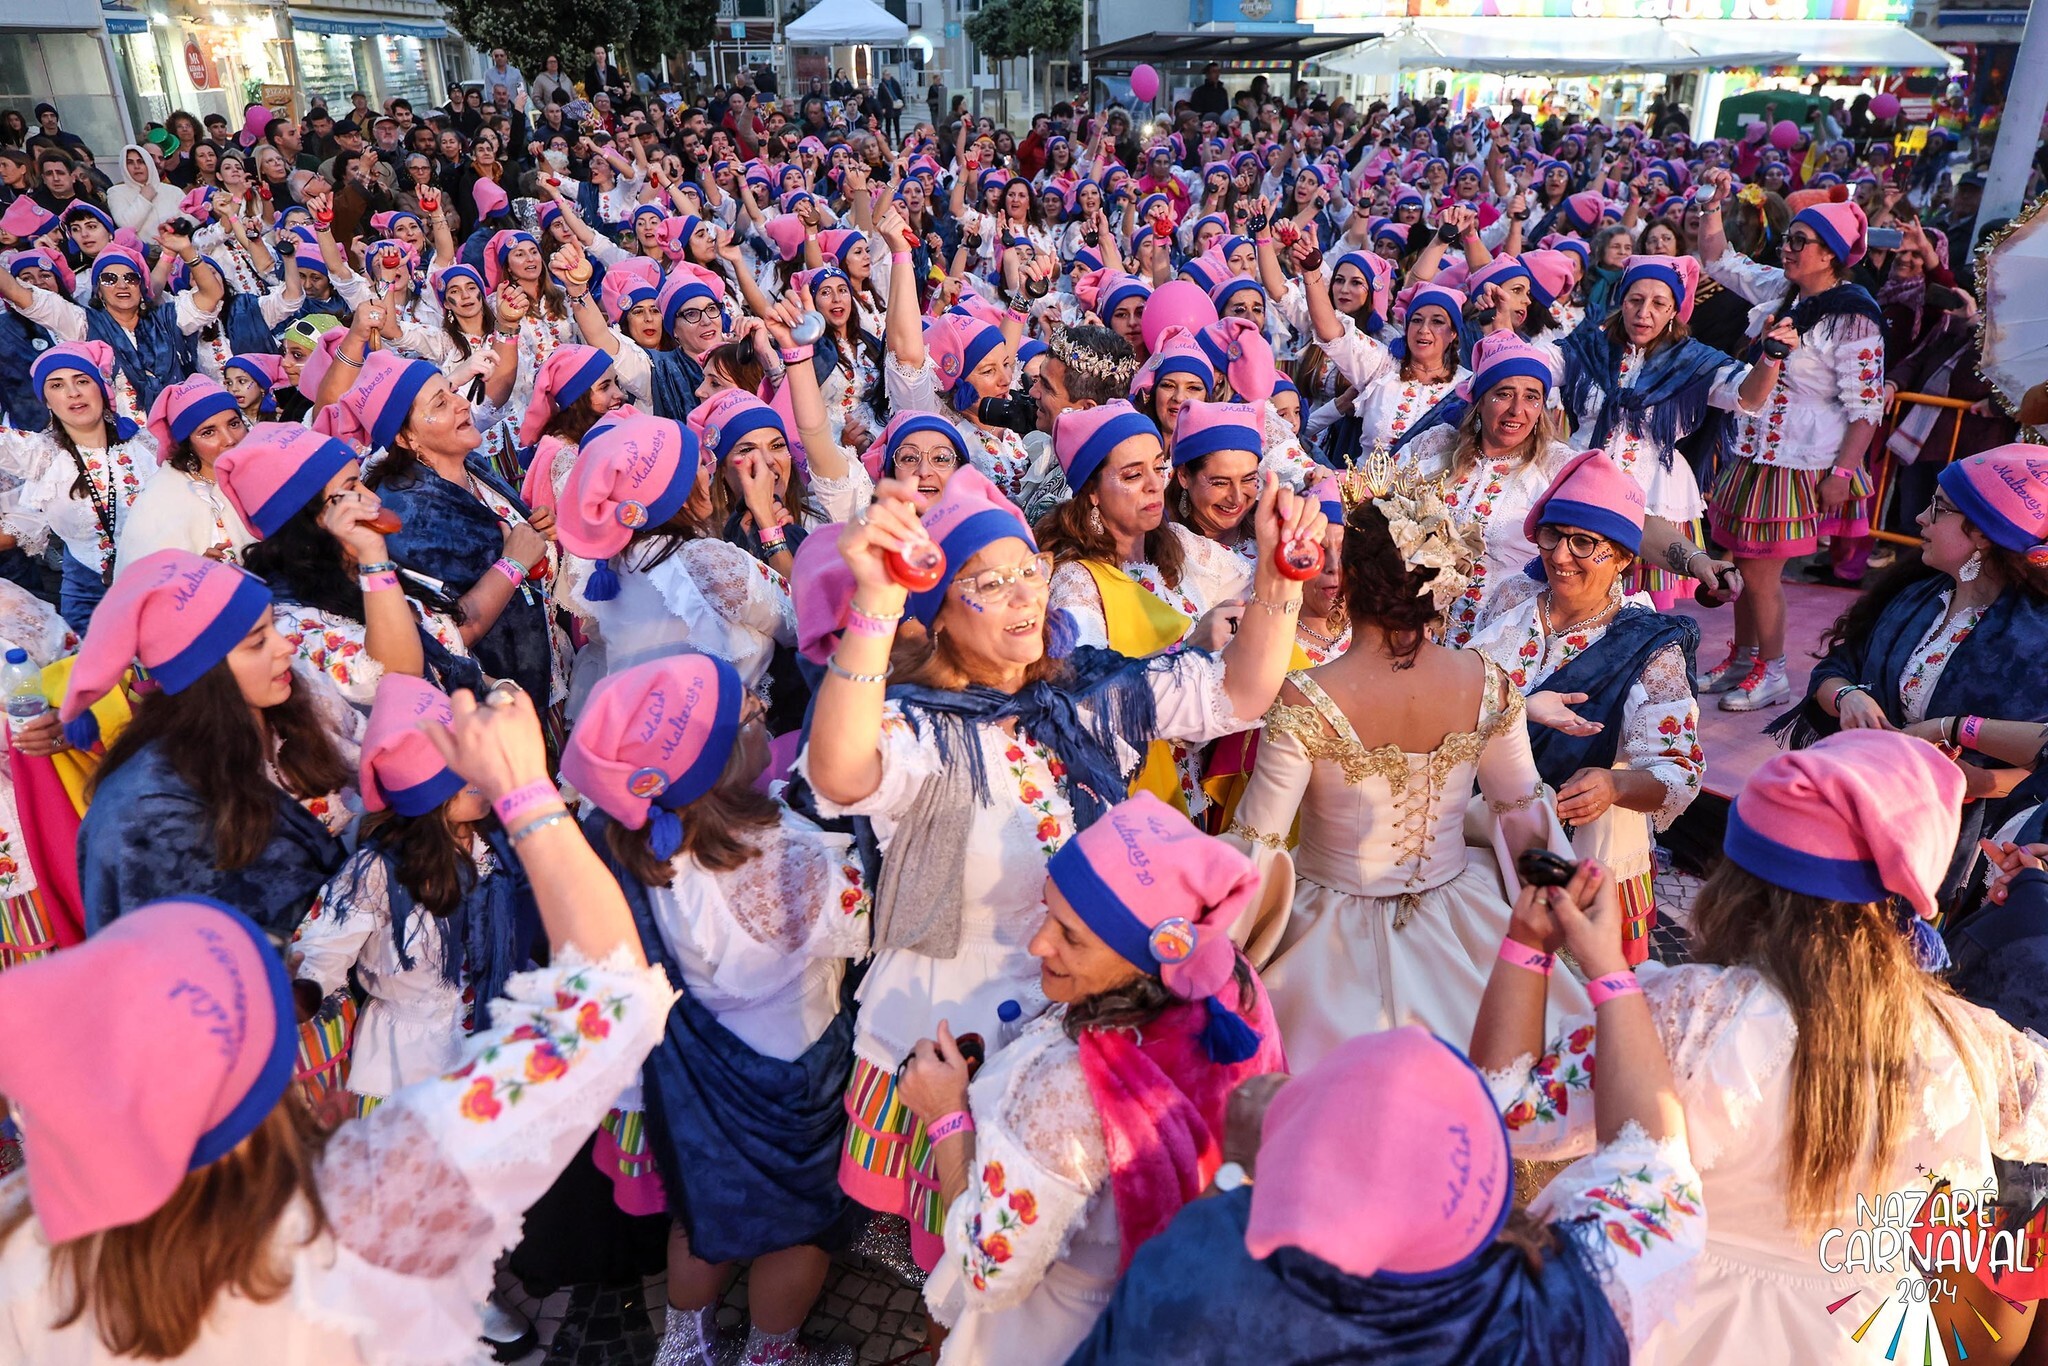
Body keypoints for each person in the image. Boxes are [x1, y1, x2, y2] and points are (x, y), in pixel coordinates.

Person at [0, 683, 677, 1361]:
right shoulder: (368, 1203)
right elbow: (610, 1004)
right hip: (412, 1058)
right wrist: (527, 792)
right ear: (271, 1082)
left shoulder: (21, 1255)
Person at [797, 465, 1320, 1273]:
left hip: (1087, 1023)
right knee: (966, 1259)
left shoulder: (1086, 697)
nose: (1023, 597)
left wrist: (1278, 578)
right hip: (957, 1038)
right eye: (989, 583)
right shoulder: (918, 732)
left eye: (1027, 573)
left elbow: (1241, 694)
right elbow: (837, 771)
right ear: (934, 618)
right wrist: (874, 603)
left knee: (1083, 1250)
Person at [1472, 730, 2048, 1366]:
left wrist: (1527, 941)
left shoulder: (1688, 1014)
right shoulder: (1969, 1044)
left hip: (1676, 1318)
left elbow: (1510, 1115)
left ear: (1736, 883)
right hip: (1861, 1331)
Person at [1070, 986, 1703, 1363]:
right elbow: (1654, 1163)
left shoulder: (1198, 1271)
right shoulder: (1555, 1315)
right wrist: (1609, 976)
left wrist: (1235, 1170)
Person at [898, 792, 1286, 1364]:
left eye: (1071, 936)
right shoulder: (1226, 982)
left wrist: (946, 1115)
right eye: (1048, 911)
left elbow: (987, 1269)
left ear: (1142, 955)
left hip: (1052, 1335)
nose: (1038, 944)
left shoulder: (1070, 1089)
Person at [568, 652, 871, 1366]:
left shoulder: (631, 842)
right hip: (795, 1072)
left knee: (699, 1209)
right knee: (799, 1227)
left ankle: (684, 1345)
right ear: (727, 758)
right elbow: (870, 923)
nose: (765, 708)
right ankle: (771, 1355)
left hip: (693, 1066)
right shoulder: (786, 855)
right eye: (752, 709)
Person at [1224, 467, 1581, 1063]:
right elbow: (1524, 817)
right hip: (1462, 923)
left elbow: (1259, 840)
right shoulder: (1488, 685)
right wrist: (1558, 922)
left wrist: (1223, 954)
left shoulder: (1305, 696)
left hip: (1325, 945)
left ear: (1351, 582)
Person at [1769, 446, 2048, 903]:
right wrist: (1848, 697)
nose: (1919, 517)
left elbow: (2041, 751)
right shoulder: (1918, 595)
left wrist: (1983, 783)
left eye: (1937, 508)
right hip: (1865, 807)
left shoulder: (2035, 638)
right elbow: (1836, 670)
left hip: (1960, 843)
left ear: (1980, 533)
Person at [1468, 452, 1702, 962]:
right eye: (1553, 535)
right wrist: (1518, 708)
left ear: (1622, 557)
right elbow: (1458, 684)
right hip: (1481, 829)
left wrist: (1614, 784)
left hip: (1583, 850)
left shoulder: (1647, 646)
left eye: (1585, 543)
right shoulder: (1511, 599)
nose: (1561, 556)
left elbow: (1681, 770)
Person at [70, 550, 356, 935]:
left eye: (273, 627)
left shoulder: (289, 708)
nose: (285, 647)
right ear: (205, 673)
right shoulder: (147, 816)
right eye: (257, 642)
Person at [290, 673, 534, 1104]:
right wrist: (304, 990)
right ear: (428, 796)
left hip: (488, 1047)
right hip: (405, 1068)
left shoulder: (494, 845)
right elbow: (327, 946)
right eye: (463, 773)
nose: (480, 775)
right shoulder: (380, 870)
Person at [1693, 175, 1885, 712]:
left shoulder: (1854, 318)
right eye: (1789, 238)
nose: (1788, 248)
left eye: (1801, 241)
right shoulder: (1782, 290)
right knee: (1745, 564)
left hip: (1800, 460)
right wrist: (1712, 206)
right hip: (1755, 453)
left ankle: (1772, 672)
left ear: (1831, 256)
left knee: (1759, 571)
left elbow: (1865, 408)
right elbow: (1718, 260)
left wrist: (1843, 474)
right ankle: (1743, 660)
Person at [1396, 338, 1575, 648]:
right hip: (1414, 636)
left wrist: (1691, 560)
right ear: (1479, 400)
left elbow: (1627, 520)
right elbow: (1375, 498)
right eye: (1503, 394)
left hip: (1503, 644)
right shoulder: (1436, 444)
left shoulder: (1556, 465)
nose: (1517, 409)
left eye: (1531, 397)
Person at [114, 373, 254, 572]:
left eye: (233, 424)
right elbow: (143, 583)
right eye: (208, 432)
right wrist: (195, 573)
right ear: (187, 443)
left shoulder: (263, 475)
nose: (230, 439)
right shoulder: (162, 498)